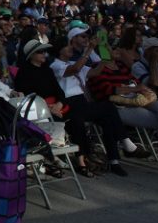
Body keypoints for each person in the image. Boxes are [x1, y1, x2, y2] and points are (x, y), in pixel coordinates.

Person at [17, 39, 143, 177]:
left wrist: (105, 58)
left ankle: (114, 160)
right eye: (40, 52)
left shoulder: (47, 69)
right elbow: (28, 95)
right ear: (32, 55)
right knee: (79, 118)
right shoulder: (49, 67)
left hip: (66, 104)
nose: (44, 54)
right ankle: (91, 158)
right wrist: (89, 50)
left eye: (44, 51)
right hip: (52, 108)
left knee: (108, 113)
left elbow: (62, 89)